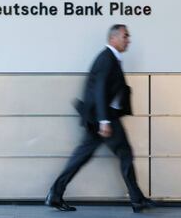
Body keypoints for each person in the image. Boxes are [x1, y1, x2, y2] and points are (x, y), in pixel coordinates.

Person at [45, 24, 156, 213]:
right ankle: (137, 200)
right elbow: (100, 90)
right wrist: (104, 121)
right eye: (125, 36)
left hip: (98, 118)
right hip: (103, 119)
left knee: (82, 156)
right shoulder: (107, 59)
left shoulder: (112, 58)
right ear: (113, 38)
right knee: (125, 153)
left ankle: (55, 194)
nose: (128, 40)